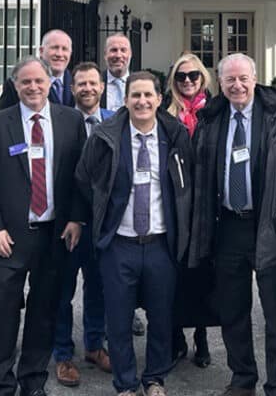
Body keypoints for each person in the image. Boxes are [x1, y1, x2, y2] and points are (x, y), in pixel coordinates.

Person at [190, 53, 276, 396]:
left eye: (243, 78)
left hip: (271, 226)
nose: (237, 85)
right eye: (229, 79)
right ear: (220, 81)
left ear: (255, 78)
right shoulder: (211, 118)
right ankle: (243, 378)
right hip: (228, 227)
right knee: (232, 310)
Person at [0, 56, 87, 396]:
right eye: (26, 82)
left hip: (54, 235)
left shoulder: (70, 120)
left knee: (44, 314)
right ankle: (1, 386)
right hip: (7, 237)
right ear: (15, 85)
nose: (33, 87)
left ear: (51, 82)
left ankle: (33, 382)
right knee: (1, 319)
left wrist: (76, 218)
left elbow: (81, 176)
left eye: (39, 81)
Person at [76, 71, 194, 396]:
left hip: (160, 243)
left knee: (161, 315)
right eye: (135, 95)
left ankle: (155, 378)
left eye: (148, 95)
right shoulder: (105, 136)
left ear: (159, 99)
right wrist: (104, 215)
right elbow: (85, 179)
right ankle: (126, 383)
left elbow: (187, 187)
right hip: (119, 244)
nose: (142, 101)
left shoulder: (176, 137)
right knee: (118, 318)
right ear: (125, 100)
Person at [53, 62, 114, 387]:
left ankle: (94, 345)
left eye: (93, 83)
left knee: (99, 287)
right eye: (81, 84)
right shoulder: (61, 121)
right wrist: (72, 216)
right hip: (67, 224)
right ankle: (62, 353)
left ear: (102, 86)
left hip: (104, 224)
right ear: (72, 88)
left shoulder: (116, 121)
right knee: (62, 290)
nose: (87, 88)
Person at [166, 53, 215, 368]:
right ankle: (174, 336)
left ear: (203, 78)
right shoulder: (164, 113)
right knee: (173, 274)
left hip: (206, 204)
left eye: (193, 76)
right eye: (181, 76)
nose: (187, 81)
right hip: (174, 205)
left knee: (203, 275)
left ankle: (202, 336)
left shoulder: (213, 112)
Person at [0, 29, 75, 110]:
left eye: (65, 49)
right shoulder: (14, 84)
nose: (59, 54)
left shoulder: (77, 82)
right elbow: (3, 119)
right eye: (54, 48)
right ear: (41, 51)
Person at [101, 34, 132, 111]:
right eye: (114, 50)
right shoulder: (96, 83)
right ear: (105, 54)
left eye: (123, 50)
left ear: (130, 54)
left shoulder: (139, 83)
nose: (118, 55)